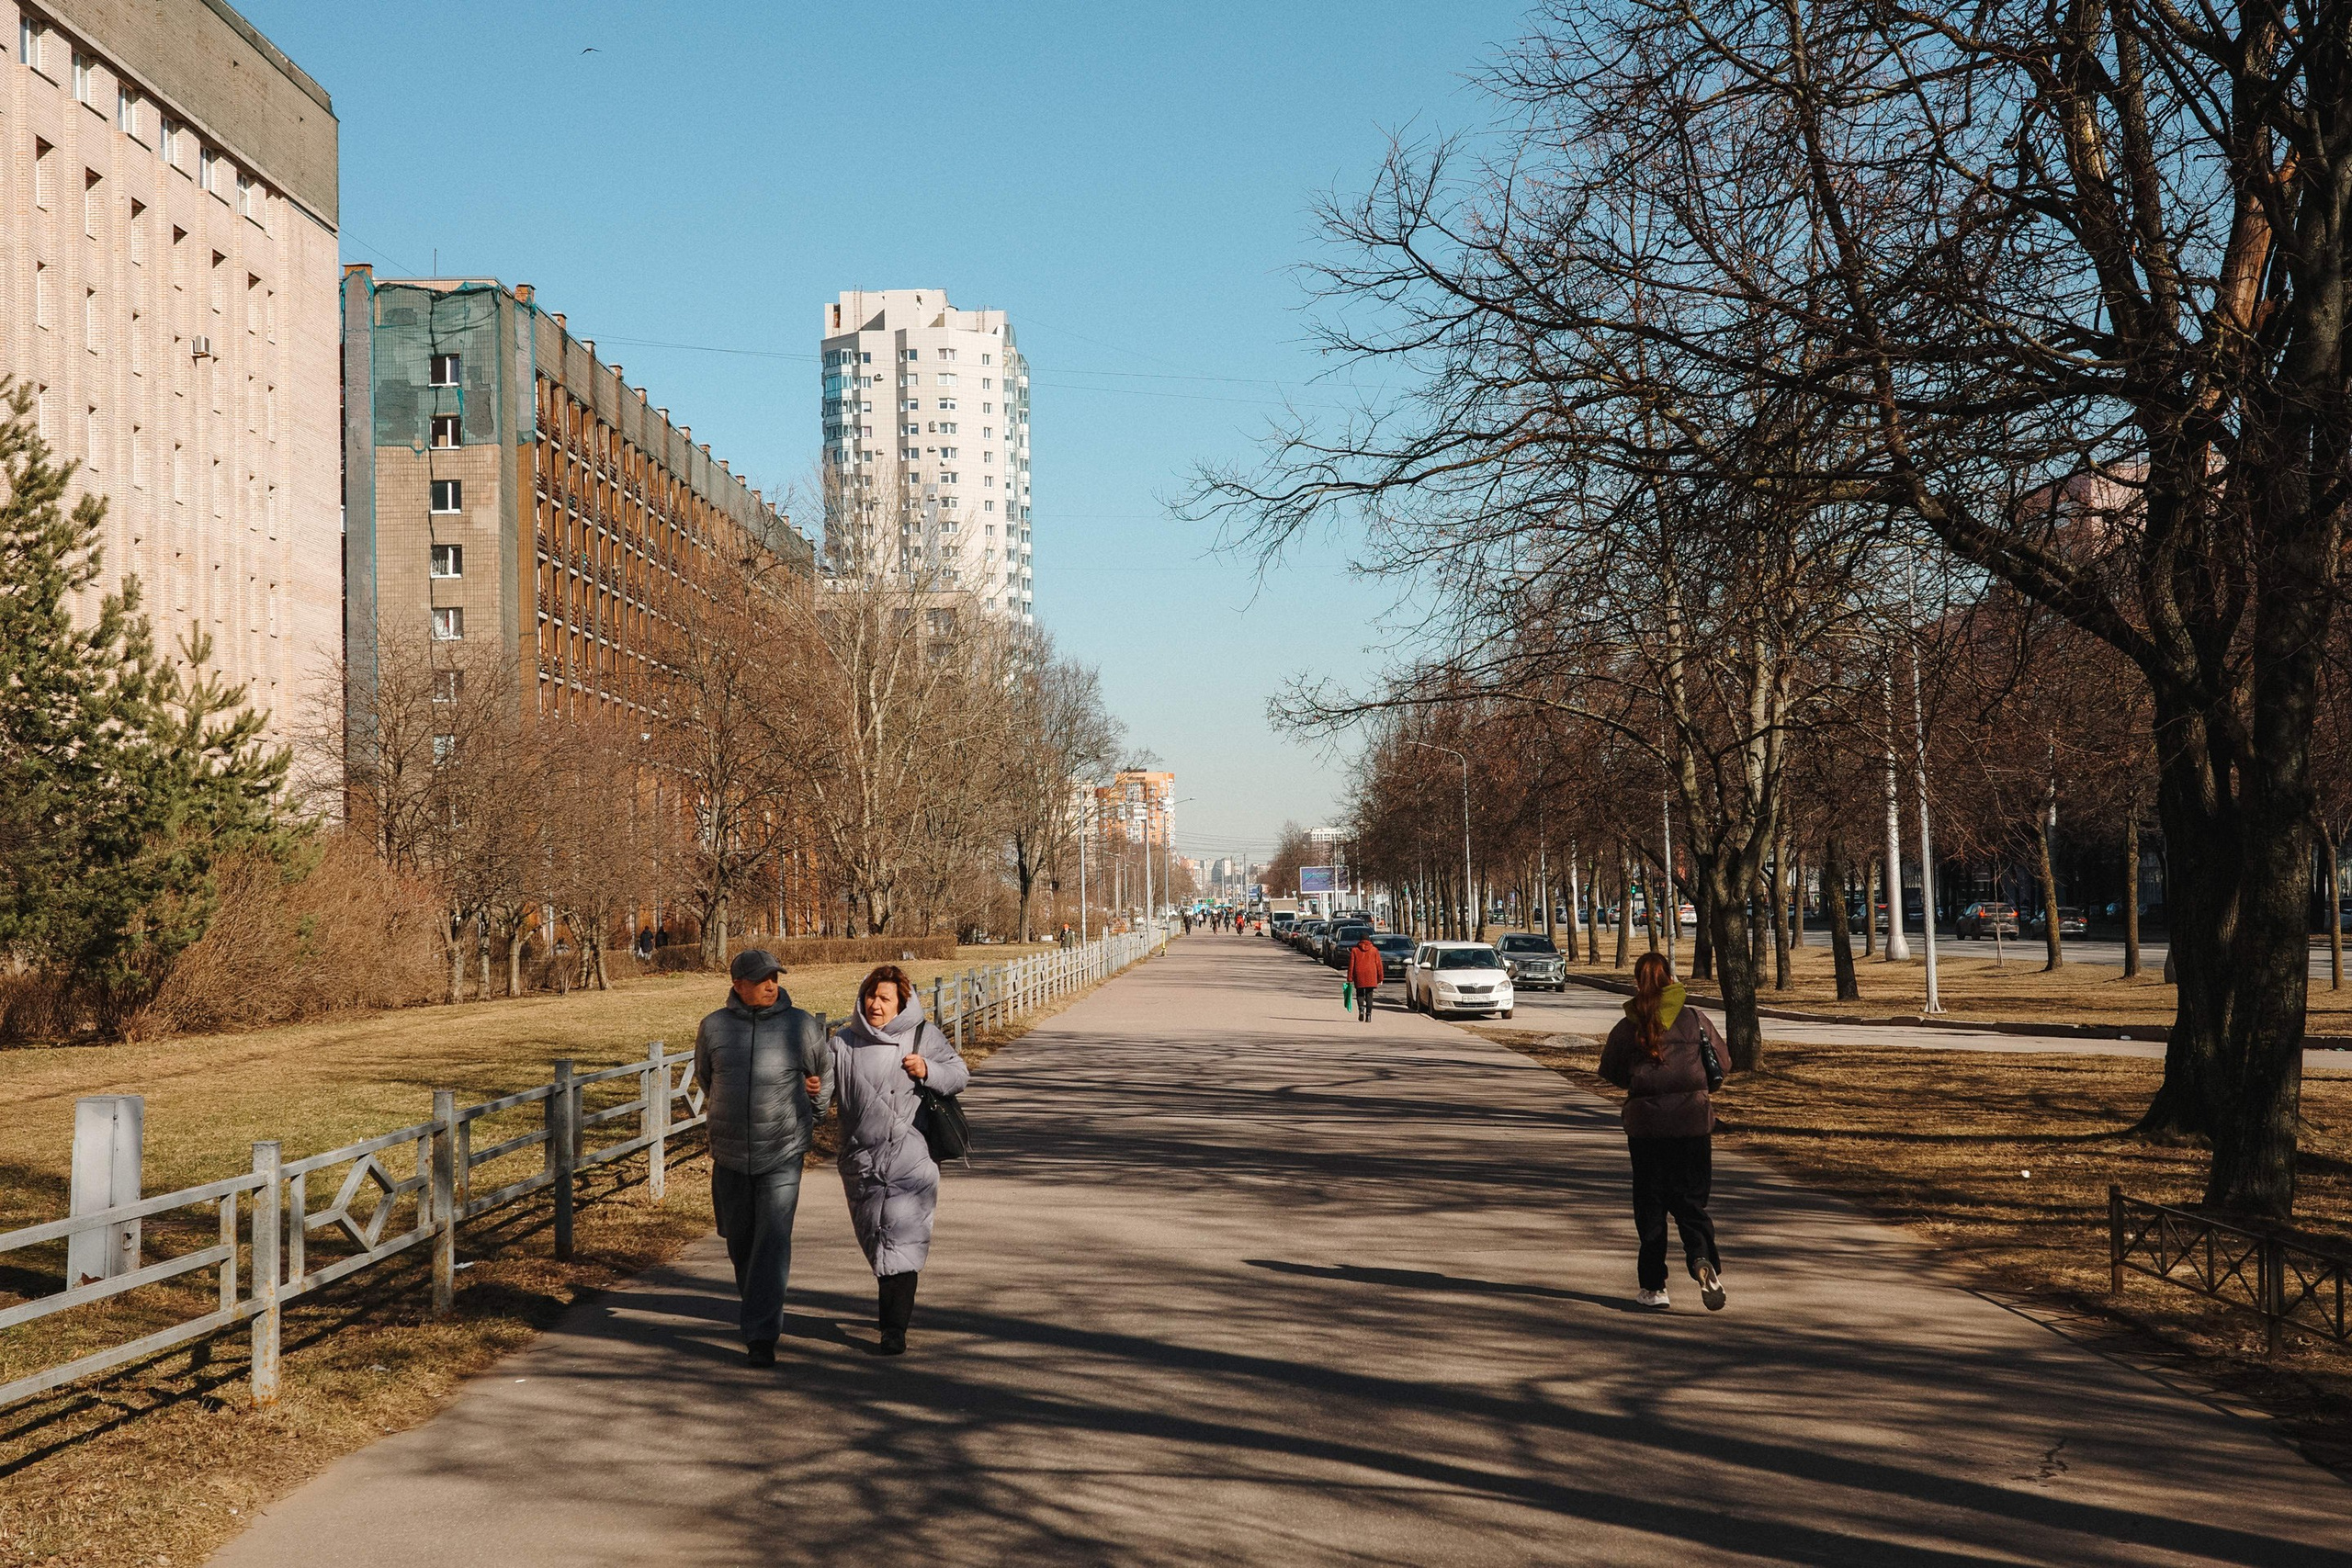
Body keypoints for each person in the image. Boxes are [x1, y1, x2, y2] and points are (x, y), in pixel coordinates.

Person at [823, 964, 970, 1354]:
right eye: (871, 996)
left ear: (901, 1004)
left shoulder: (923, 1035)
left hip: (911, 1157)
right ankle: (891, 1312)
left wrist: (928, 1069)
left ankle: (893, 1329)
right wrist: (812, 1087)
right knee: (876, 1238)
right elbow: (822, 1094)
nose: (875, 1004)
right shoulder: (842, 1043)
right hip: (861, 1160)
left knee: (903, 1238)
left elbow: (959, 1075)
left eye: (885, 998)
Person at [694, 949, 829, 1366]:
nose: (771, 986)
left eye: (775, 978)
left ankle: (760, 1336)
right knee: (740, 1240)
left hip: (783, 1150)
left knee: (771, 1241)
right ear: (738, 985)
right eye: (760, 979)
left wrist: (814, 1111)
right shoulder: (713, 1027)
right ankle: (758, 1308)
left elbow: (822, 1075)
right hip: (730, 1151)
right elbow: (707, 1078)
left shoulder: (801, 1025)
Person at [1598, 951, 1729, 1312]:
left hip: (1647, 1130)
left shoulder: (1629, 1025)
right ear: (1670, 978)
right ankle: (1702, 1258)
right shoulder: (1694, 1019)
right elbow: (1724, 1062)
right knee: (1691, 1201)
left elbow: (1611, 1071)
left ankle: (1654, 1287)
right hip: (1693, 1125)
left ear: (1638, 981)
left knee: (1651, 1205)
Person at [1346, 932, 1385, 1022]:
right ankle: (1368, 1016)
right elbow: (1379, 965)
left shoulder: (1355, 950)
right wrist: (1380, 977)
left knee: (1360, 994)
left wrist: (1350, 978)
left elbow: (1351, 965)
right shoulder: (1374, 950)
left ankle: (1361, 1010)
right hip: (1371, 974)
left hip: (1359, 974)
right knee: (1369, 995)